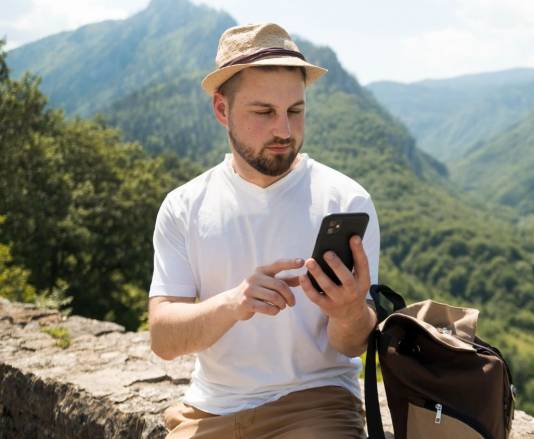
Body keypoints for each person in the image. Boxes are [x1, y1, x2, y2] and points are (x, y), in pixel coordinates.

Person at [148, 23, 380, 439]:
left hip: (317, 402)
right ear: (222, 110)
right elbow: (164, 338)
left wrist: (348, 312)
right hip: (209, 410)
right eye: (264, 113)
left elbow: (353, 345)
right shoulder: (184, 207)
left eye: (295, 110)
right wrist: (234, 302)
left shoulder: (346, 201)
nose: (284, 131)